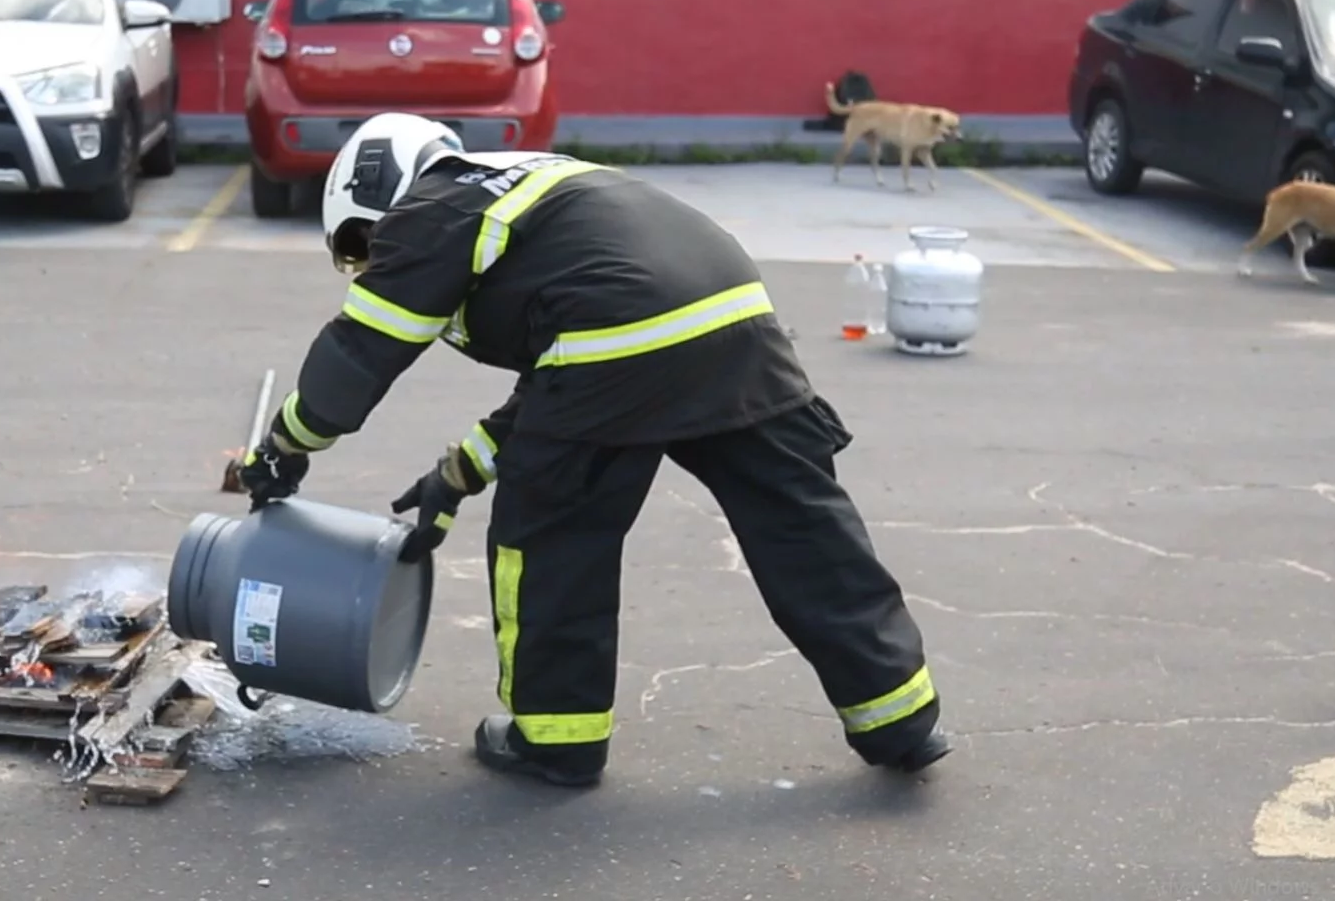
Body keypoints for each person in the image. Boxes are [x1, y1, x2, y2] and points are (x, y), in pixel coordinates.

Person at [235, 113, 949, 788]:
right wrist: (455, 475)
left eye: (360, 243)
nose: (368, 263)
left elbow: (363, 349)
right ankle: (899, 717)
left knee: (549, 538)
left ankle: (557, 738)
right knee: (804, 530)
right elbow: (561, 381)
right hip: (737, 322)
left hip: (620, 345)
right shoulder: (534, 183)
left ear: (380, 192)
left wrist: (285, 445)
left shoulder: (433, 206)